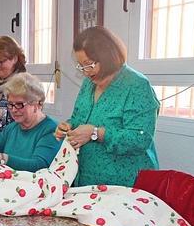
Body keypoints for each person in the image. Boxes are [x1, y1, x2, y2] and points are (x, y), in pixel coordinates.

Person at [54, 26, 159, 187]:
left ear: (107, 57)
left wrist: (96, 133)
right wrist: (68, 126)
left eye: (89, 65)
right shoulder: (88, 84)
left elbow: (140, 138)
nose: (85, 72)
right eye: (81, 66)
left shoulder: (136, 85)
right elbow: (79, 117)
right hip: (87, 178)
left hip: (124, 181)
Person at [0, 72, 62, 172]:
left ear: (37, 104)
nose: (13, 110)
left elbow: (39, 165)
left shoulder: (52, 129)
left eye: (19, 104)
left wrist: (1, 158)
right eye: (10, 104)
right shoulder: (11, 128)